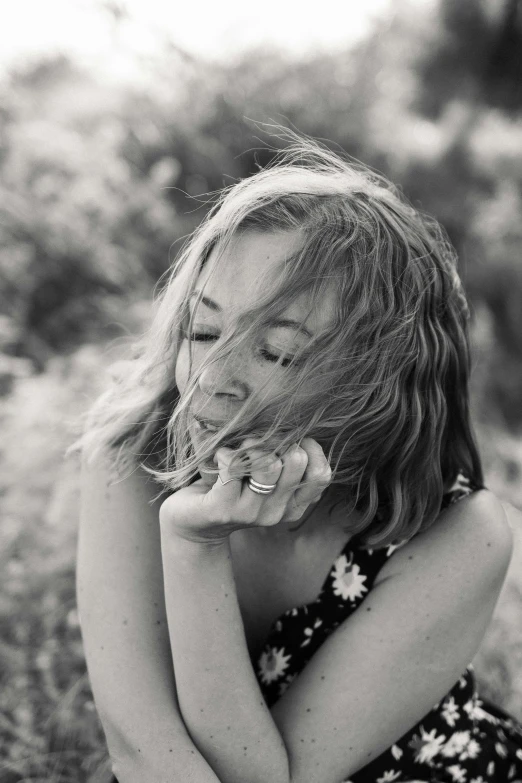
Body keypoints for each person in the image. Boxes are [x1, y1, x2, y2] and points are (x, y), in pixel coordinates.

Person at [73, 134, 522, 783]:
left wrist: (196, 547)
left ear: (376, 383)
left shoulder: (461, 532)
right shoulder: (132, 449)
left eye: (276, 351)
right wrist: (185, 528)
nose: (211, 377)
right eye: (202, 330)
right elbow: (144, 752)